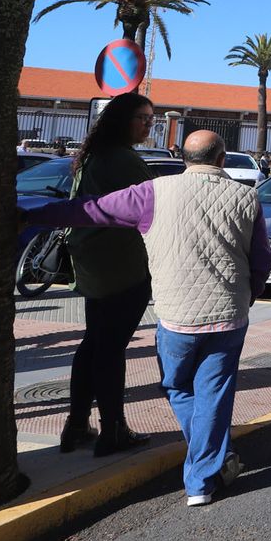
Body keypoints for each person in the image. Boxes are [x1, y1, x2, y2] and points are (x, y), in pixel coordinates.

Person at [24, 130, 268, 506]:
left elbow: (90, 208)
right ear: (222, 159)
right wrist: (251, 294)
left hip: (175, 315)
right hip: (229, 315)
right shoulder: (247, 196)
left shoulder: (152, 193)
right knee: (214, 395)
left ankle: (203, 472)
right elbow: (261, 259)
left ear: (184, 157)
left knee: (175, 387)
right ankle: (204, 474)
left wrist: (29, 216)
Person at [53, 93, 157, 457]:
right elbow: (153, 206)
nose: (149, 124)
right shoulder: (124, 159)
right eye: (142, 118)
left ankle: (77, 424)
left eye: (151, 119)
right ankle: (112, 429)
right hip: (122, 264)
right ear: (121, 121)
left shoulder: (93, 156)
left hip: (92, 263)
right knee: (110, 348)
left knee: (93, 343)